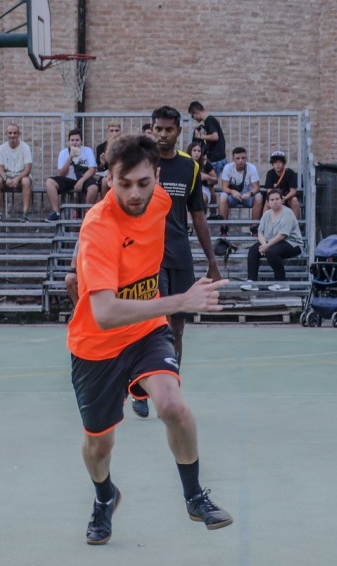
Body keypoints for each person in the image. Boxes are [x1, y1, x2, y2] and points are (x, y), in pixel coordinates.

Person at [68, 133, 233, 545]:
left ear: (157, 178)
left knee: (173, 406)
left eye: (143, 183)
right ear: (108, 179)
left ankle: (194, 496)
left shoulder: (160, 201)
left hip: (146, 330)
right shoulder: (99, 226)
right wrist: (181, 300)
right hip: (97, 344)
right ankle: (104, 497)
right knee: (98, 446)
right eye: (124, 184)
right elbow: (105, 314)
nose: (135, 194)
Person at [128, 106, 222, 419]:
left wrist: (212, 261)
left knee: (178, 327)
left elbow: (198, 216)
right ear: (151, 129)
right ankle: (142, 389)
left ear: (179, 132)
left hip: (180, 256)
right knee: (156, 325)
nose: (163, 134)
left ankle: (170, 390)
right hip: (148, 258)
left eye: (169, 129)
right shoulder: (142, 164)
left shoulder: (189, 167)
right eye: (158, 129)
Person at [246, 188, 304, 288]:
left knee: (271, 251)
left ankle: (282, 283)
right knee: (253, 250)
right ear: (268, 202)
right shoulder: (266, 214)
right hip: (272, 243)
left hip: (292, 243)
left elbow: (283, 235)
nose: (275, 202)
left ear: (282, 200)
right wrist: (264, 244)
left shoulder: (288, 213)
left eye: (277, 199)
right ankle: (252, 282)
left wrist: (267, 246)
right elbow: (260, 231)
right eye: (272, 200)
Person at [45, 128, 97, 221]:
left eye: (77, 140)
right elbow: (62, 173)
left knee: (94, 188)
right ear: (69, 141)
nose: (74, 143)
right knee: (49, 182)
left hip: (83, 178)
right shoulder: (63, 153)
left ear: (81, 141)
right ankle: (56, 212)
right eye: (72, 140)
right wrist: (70, 158)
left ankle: (87, 214)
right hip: (68, 179)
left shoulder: (87, 150)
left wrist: (82, 180)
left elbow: (92, 169)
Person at [0, 123, 34, 222]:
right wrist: (6, 178)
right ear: (6, 134)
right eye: (10, 133)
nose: (12, 135)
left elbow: (28, 168)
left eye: (15, 133)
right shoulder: (1, 148)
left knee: (26, 181)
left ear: (19, 134)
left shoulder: (25, 147)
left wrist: (17, 178)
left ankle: (25, 214)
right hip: (7, 175)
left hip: (21, 175)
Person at [216, 147, 260, 226]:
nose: (241, 160)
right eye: (238, 158)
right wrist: (232, 191)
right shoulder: (228, 168)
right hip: (232, 196)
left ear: (246, 158)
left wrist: (249, 194)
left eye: (243, 158)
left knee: (259, 197)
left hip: (247, 195)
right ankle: (224, 227)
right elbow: (224, 187)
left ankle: (254, 227)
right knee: (222, 197)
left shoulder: (252, 168)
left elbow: (256, 188)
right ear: (233, 159)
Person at [188, 102, 227, 175]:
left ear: (196, 113)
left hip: (216, 160)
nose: (194, 118)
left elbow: (215, 136)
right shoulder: (209, 121)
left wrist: (200, 136)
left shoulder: (209, 120)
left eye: (192, 116)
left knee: (209, 180)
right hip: (218, 159)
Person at [258, 151, 300, 218]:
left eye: (280, 162)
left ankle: (295, 223)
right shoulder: (270, 173)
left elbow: (293, 191)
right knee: (267, 202)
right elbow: (269, 191)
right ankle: (264, 222)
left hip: (287, 197)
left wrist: (284, 198)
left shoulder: (290, 172)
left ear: (284, 163)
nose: (277, 164)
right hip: (275, 197)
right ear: (272, 164)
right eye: (275, 162)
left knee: (294, 200)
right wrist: (277, 199)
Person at [94, 122, 122, 196]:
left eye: (116, 130)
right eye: (111, 131)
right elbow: (99, 169)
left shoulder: (125, 146)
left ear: (120, 132)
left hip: (121, 173)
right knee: (104, 181)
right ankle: (105, 202)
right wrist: (102, 163)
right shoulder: (101, 147)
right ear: (108, 133)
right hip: (106, 175)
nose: (114, 133)